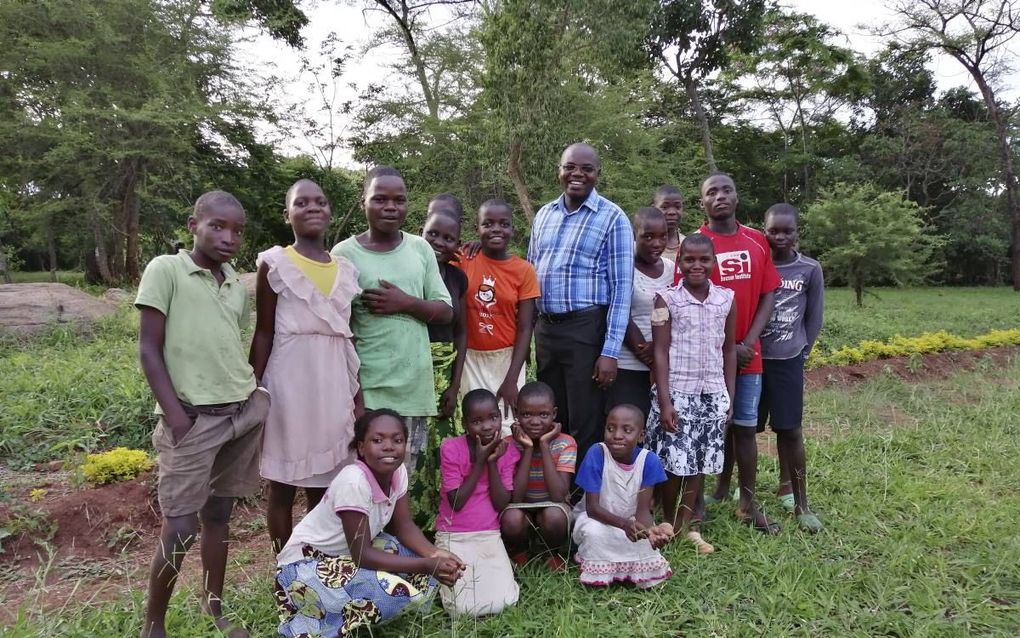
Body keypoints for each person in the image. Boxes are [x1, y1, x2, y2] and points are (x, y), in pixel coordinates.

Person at [136, 191, 270, 638]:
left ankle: (215, 608)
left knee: (219, 516)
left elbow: (230, 343)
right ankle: (154, 623)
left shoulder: (234, 282)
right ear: (193, 225)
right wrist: (177, 419)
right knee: (179, 527)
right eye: (217, 226)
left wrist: (253, 394)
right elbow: (149, 349)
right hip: (192, 419)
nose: (228, 237)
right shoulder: (166, 270)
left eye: (237, 230)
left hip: (239, 413)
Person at [275, 409, 465, 637]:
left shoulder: (398, 471)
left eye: (397, 440)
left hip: (346, 556)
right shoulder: (353, 482)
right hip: (307, 565)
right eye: (377, 440)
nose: (388, 446)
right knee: (389, 590)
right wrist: (425, 565)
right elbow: (362, 556)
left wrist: (434, 555)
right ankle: (309, 623)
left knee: (420, 562)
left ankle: (366, 608)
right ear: (361, 448)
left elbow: (405, 527)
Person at [250, 179, 363, 554]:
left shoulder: (346, 269)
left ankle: (315, 566)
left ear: (330, 212)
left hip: (332, 382)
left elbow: (350, 339)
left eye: (321, 201)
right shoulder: (274, 263)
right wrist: (253, 392)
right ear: (288, 215)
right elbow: (263, 333)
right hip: (289, 383)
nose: (313, 207)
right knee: (283, 484)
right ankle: (285, 566)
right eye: (302, 203)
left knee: (326, 483)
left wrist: (357, 396)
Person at [331, 166, 453, 477]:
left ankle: (392, 529)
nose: (390, 207)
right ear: (364, 203)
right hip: (368, 391)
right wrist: (354, 399)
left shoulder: (419, 248)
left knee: (401, 482)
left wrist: (407, 303)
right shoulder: (344, 254)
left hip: (414, 390)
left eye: (399, 200)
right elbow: (340, 331)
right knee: (362, 480)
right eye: (380, 199)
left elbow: (446, 310)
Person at [677, 172, 780, 534]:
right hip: (705, 358)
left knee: (745, 428)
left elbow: (769, 292)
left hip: (749, 355)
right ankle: (699, 501)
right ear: (702, 202)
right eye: (711, 192)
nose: (719, 196)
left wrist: (749, 342)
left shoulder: (756, 241)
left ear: (737, 196)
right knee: (705, 427)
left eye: (726, 190)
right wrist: (720, 349)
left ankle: (747, 504)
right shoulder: (694, 244)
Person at [528, 143, 634, 476]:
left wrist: (610, 352)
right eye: (570, 166)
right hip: (546, 331)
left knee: (585, 418)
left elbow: (621, 289)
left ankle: (583, 500)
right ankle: (552, 489)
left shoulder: (612, 217)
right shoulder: (544, 214)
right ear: (559, 170)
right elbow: (530, 273)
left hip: (585, 329)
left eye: (586, 169)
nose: (578, 174)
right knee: (550, 415)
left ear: (597, 174)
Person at [650, 234, 737, 554]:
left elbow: (729, 350)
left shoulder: (726, 299)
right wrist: (664, 400)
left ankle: (688, 526)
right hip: (678, 392)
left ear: (714, 262)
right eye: (689, 259)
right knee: (675, 463)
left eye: (704, 260)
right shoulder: (666, 299)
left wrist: (729, 395)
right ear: (680, 263)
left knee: (699, 462)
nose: (696, 266)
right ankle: (668, 523)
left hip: (713, 392)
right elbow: (659, 351)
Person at [759, 203, 825, 532]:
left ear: (797, 232)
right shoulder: (757, 264)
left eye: (788, 230)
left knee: (790, 430)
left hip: (787, 360)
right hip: (754, 361)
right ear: (764, 230)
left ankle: (801, 503)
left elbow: (814, 318)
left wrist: (803, 353)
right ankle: (732, 491)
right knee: (742, 429)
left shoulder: (809, 269)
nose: (780, 236)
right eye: (774, 230)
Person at [435, 389, 520, 616]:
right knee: (462, 608)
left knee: (505, 601)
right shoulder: (451, 448)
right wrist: (481, 460)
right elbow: (456, 503)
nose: (487, 426)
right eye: (477, 421)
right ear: (464, 424)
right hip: (453, 535)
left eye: (493, 417)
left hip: (488, 534)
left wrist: (492, 461)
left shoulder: (508, 451)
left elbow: (502, 503)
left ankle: (501, 568)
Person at [459, 199, 540, 434]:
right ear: (477, 229)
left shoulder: (523, 270)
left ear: (512, 229)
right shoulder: (464, 259)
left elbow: (526, 327)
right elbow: (436, 250)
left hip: (506, 359)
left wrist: (512, 379)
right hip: (470, 359)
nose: (496, 229)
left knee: (507, 426)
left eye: (504, 224)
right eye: (488, 223)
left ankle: (507, 472)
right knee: (475, 426)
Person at [572, 404, 673, 588]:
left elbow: (642, 511)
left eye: (627, 430)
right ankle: (600, 573)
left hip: (631, 522)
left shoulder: (648, 461)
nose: (617, 435)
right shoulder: (597, 453)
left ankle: (627, 569)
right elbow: (593, 509)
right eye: (610, 428)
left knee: (643, 543)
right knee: (595, 534)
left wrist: (651, 532)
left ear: (641, 435)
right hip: (597, 518)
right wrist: (623, 525)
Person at [501, 381, 576, 571]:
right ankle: (519, 552)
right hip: (521, 506)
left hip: (553, 506)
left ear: (554, 414)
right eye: (527, 414)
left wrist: (543, 445)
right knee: (511, 519)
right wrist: (527, 449)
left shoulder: (565, 443)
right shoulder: (508, 444)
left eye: (543, 415)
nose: (535, 422)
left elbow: (559, 496)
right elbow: (515, 498)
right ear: (517, 414)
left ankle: (553, 552)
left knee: (554, 517)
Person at [607, 207, 674, 419]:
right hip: (628, 365)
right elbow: (619, 311)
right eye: (648, 237)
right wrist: (644, 351)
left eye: (662, 236)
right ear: (633, 236)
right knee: (630, 431)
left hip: (665, 367)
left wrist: (660, 350)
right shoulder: (622, 268)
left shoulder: (672, 269)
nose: (657, 243)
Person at [421, 204, 468, 418]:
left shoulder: (457, 278)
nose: (438, 242)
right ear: (419, 233)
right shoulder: (409, 272)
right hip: (412, 370)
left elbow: (461, 332)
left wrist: (455, 384)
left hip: (445, 373)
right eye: (432, 233)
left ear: (458, 245)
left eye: (448, 238)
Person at [654, 185, 686, 264]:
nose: (672, 212)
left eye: (677, 207)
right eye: (664, 207)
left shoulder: (687, 244)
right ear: (654, 209)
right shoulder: (645, 245)